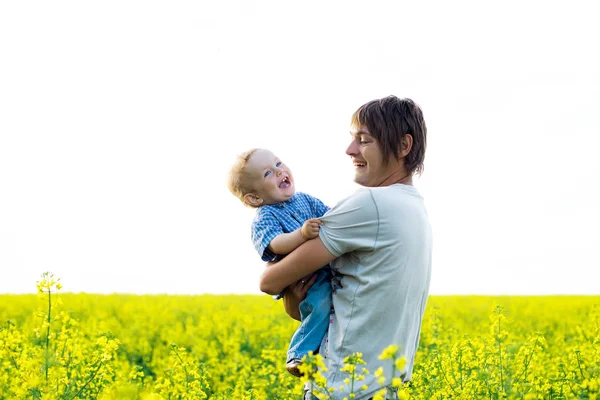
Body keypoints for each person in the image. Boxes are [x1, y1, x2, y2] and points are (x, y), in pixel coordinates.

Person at [259, 96, 432, 400]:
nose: (350, 150)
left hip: (342, 388)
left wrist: (292, 296)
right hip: (383, 388)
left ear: (404, 146)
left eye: (363, 141)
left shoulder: (371, 204)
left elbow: (269, 281)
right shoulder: (416, 209)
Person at [227, 148, 332, 377]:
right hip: (308, 278)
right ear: (254, 198)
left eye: (278, 163)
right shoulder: (265, 217)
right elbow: (275, 244)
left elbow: (330, 216)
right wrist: (302, 234)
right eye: (267, 173)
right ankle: (298, 354)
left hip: (326, 270)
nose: (279, 171)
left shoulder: (305, 200)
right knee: (321, 304)